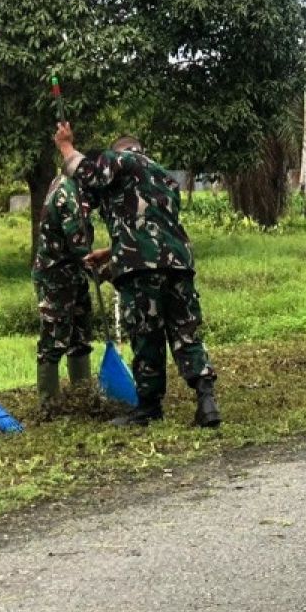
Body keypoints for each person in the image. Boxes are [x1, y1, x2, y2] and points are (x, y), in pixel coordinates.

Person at [53, 122, 220, 429]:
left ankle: (149, 406)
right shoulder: (165, 178)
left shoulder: (123, 160)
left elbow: (87, 172)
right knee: (185, 332)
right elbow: (151, 224)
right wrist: (110, 250)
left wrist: (65, 146)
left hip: (141, 268)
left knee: (146, 335)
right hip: (178, 262)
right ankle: (206, 399)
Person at [31, 173, 96, 413]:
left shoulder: (66, 183)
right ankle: (49, 403)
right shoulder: (67, 193)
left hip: (73, 274)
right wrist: (108, 270)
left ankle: (83, 395)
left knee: (80, 335)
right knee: (54, 339)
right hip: (55, 277)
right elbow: (80, 242)